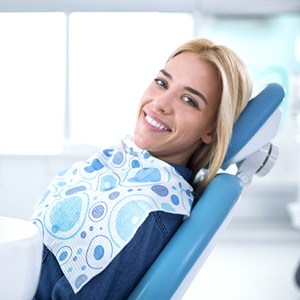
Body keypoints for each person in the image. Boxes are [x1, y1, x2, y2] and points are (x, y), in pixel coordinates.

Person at [32, 37, 252, 299]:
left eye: (189, 100)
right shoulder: (118, 163)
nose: (159, 103)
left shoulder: (144, 212)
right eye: (162, 83)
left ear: (212, 130)